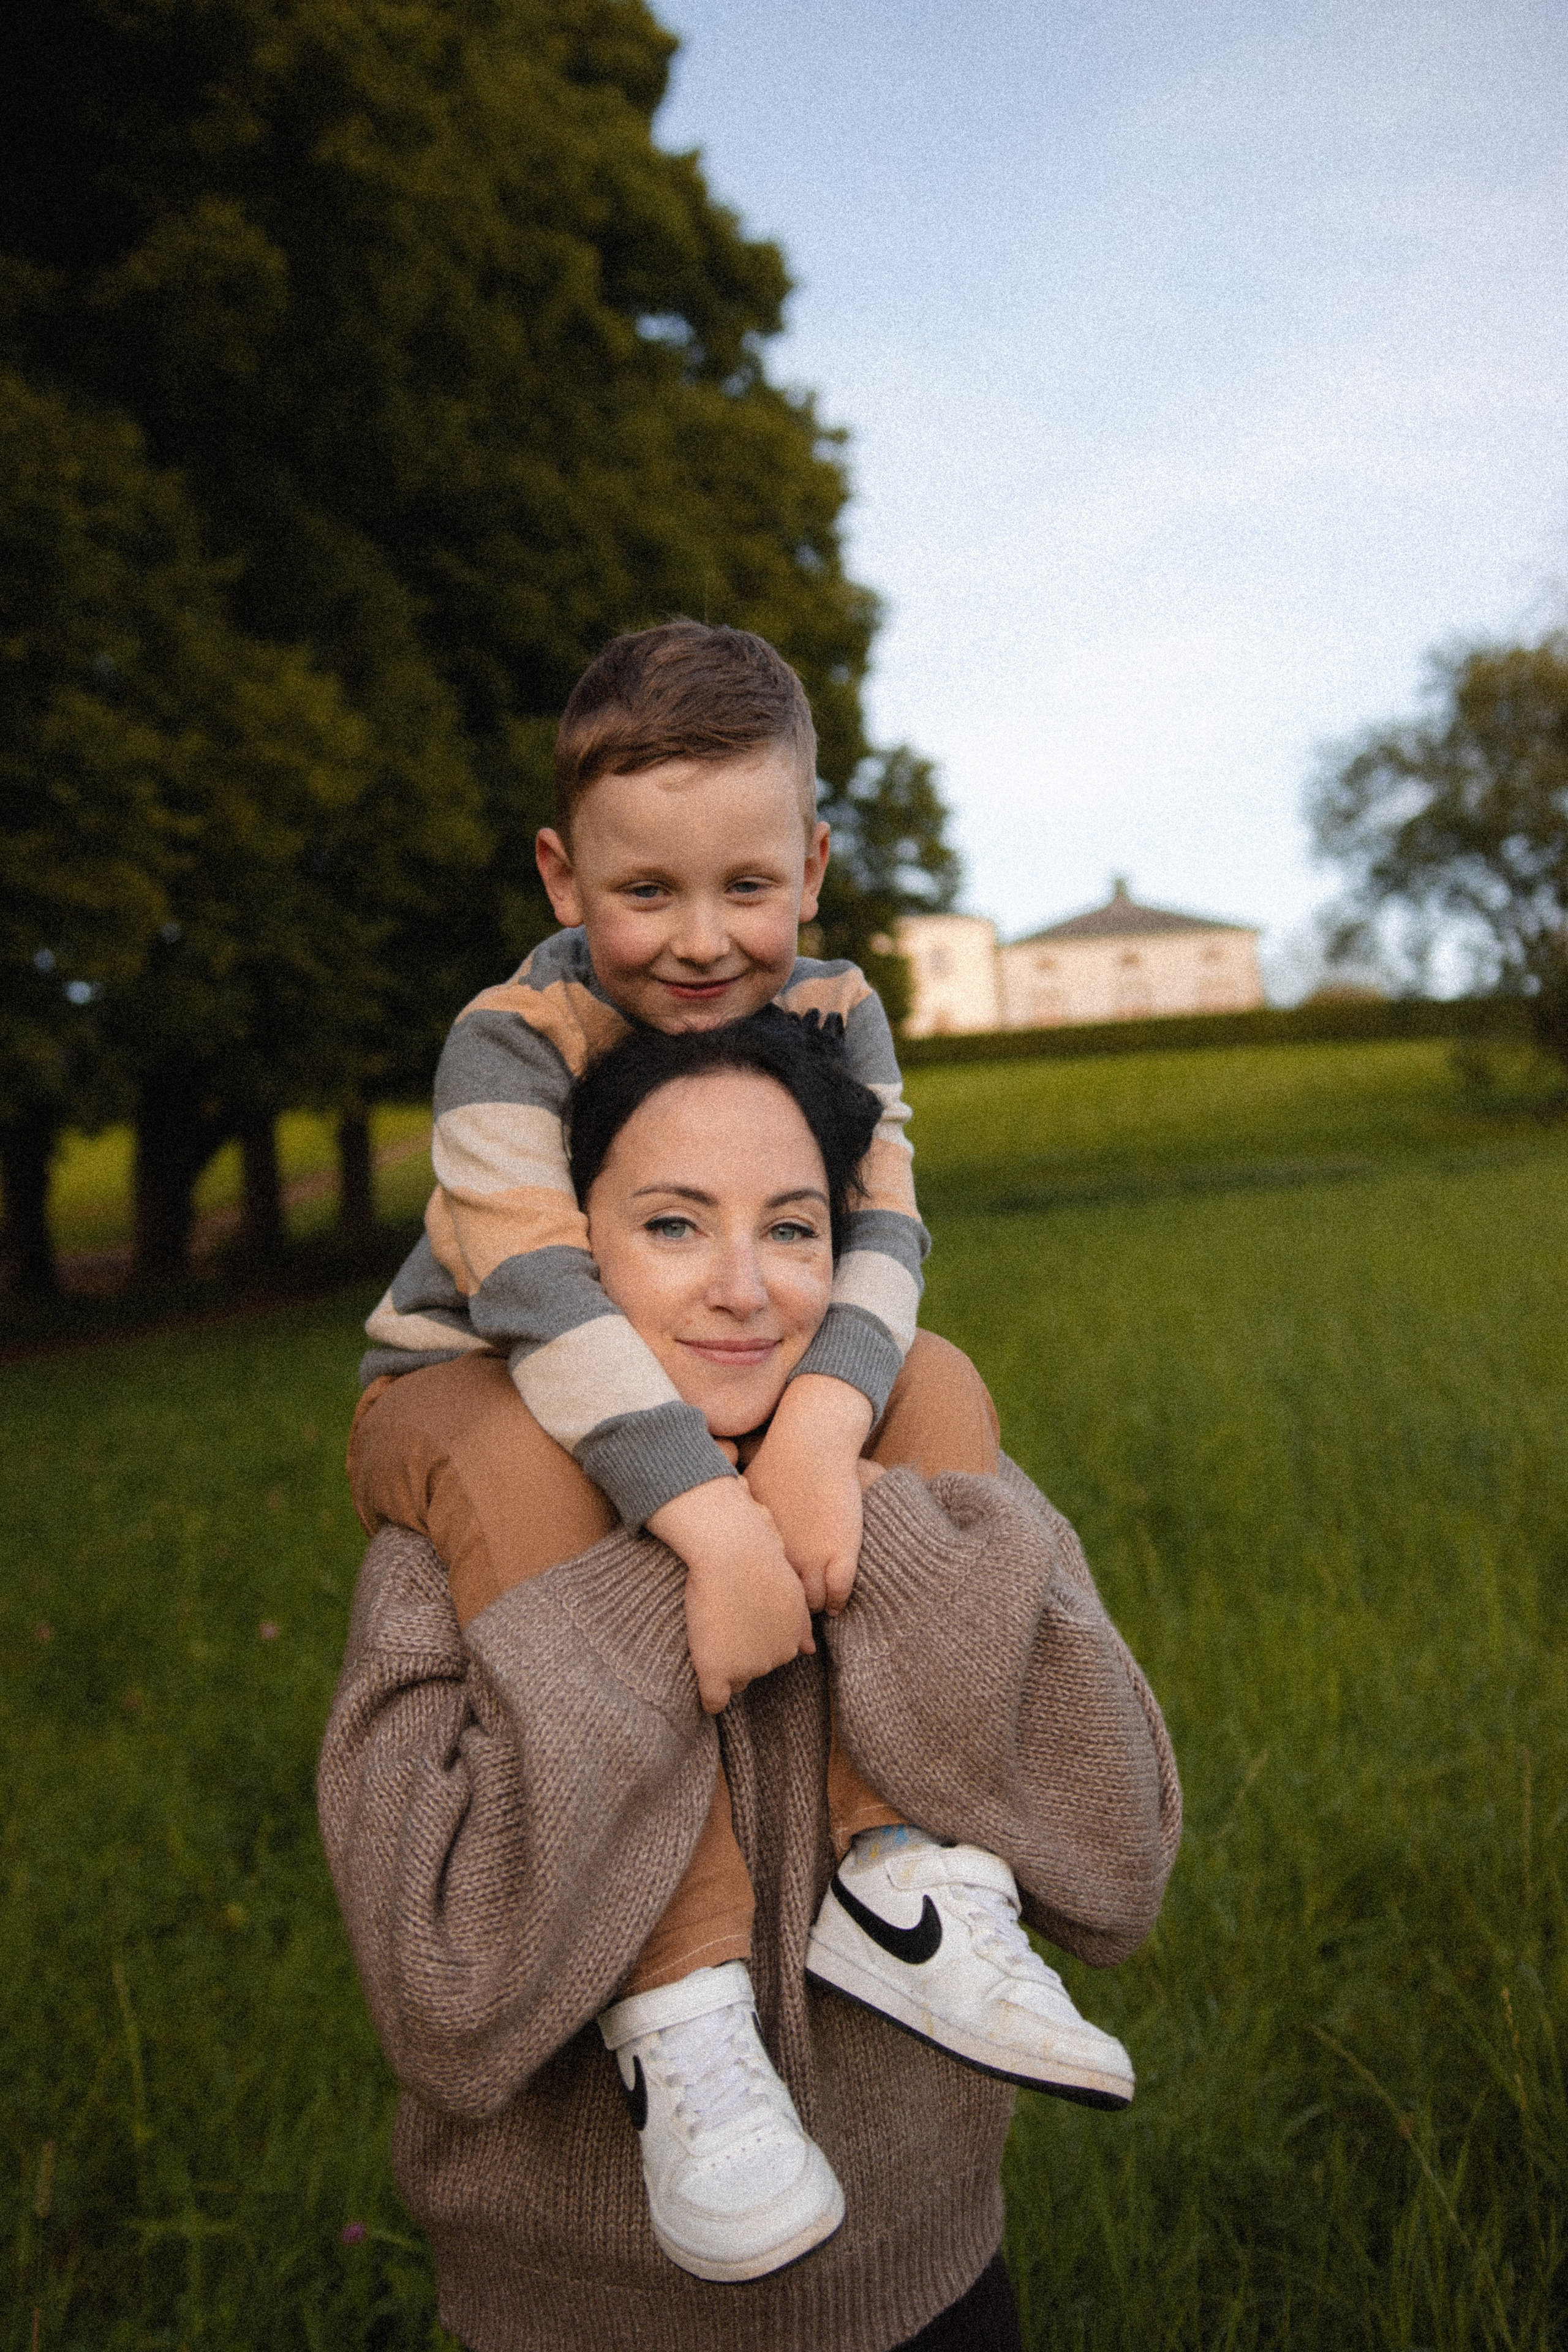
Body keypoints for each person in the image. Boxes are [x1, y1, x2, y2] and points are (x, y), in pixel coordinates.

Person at [348, 625, 1136, 2190]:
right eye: (646, 894)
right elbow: (537, 1293)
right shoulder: (511, 1040)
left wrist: (825, 1432)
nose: (701, 943)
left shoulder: (839, 1013)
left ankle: (903, 1869)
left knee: (936, 1376)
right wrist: (716, 1526)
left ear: (815, 864)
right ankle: (680, 1991)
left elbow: (885, 1235)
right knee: (515, 1450)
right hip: (467, 1378)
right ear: (565, 881)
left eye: (747, 889)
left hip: (731, 1376)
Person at [322, 1011, 1182, 2350]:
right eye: (671, 1226)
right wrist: (641, 1580)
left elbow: (1112, 1860)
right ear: (566, 1254)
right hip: (578, 2324)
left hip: (933, 2283)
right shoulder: (452, 1556)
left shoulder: (938, 1486)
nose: (744, 1289)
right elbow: (451, 2005)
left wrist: (874, 1522)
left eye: (791, 1230)